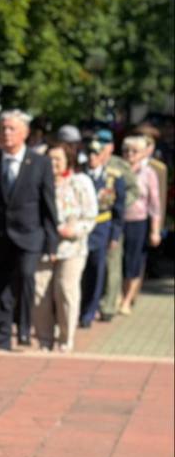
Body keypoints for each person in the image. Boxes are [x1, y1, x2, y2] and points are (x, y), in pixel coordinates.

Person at [0, 109, 58, 350]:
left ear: (25, 133)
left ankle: (24, 327)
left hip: (30, 234)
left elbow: (48, 204)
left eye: (12, 129)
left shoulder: (40, 163)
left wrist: (52, 242)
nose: (7, 134)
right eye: (3, 129)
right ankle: (1, 336)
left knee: (26, 275)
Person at [33, 141, 97, 351]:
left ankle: (65, 339)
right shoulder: (39, 181)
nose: (53, 164)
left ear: (68, 160)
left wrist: (74, 229)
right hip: (43, 246)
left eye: (57, 159)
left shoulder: (80, 182)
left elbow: (90, 215)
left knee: (65, 290)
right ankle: (44, 339)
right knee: (40, 292)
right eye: (49, 160)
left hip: (72, 247)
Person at [79, 132, 128, 329]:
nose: (92, 158)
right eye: (89, 153)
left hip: (101, 228)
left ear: (103, 156)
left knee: (97, 271)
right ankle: (80, 309)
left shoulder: (113, 178)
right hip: (81, 228)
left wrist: (115, 234)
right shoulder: (79, 175)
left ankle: (89, 312)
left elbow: (119, 209)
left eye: (96, 154)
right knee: (79, 273)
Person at [117, 134, 163, 316]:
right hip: (118, 220)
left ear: (143, 153)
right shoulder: (118, 170)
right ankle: (119, 294)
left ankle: (128, 299)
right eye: (126, 151)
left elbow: (155, 203)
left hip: (138, 221)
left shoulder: (148, 173)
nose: (129, 154)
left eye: (134, 151)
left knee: (133, 261)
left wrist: (155, 231)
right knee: (117, 261)